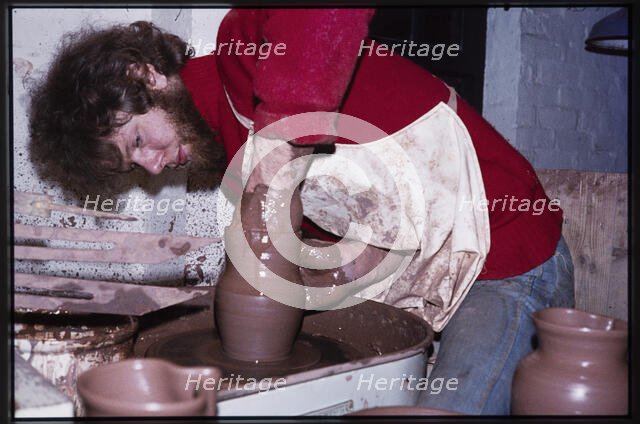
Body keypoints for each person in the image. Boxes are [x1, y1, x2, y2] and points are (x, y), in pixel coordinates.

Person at [28, 9, 574, 415]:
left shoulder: (247, 57)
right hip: (426, 283)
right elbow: (350, 253)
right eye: (133, 167)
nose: (151, 167)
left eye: (139, 141)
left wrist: (281, 142)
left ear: (144, 74)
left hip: (506, 256)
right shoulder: (232, 158)